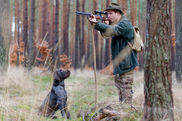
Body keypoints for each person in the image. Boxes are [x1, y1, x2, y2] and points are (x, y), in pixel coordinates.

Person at [88, 3, 139, 106]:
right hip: (121, 63)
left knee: (126, 89)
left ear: (118, 13)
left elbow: (114, 30)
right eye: (107, 14)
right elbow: (107, 34)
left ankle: (127, 112)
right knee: (120, 88)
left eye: (110, 13)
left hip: (127, 63)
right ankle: (122, 110)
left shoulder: (125, 23)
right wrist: (104, 24)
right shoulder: (117, 24)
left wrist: (97, 24)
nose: (108, 16)